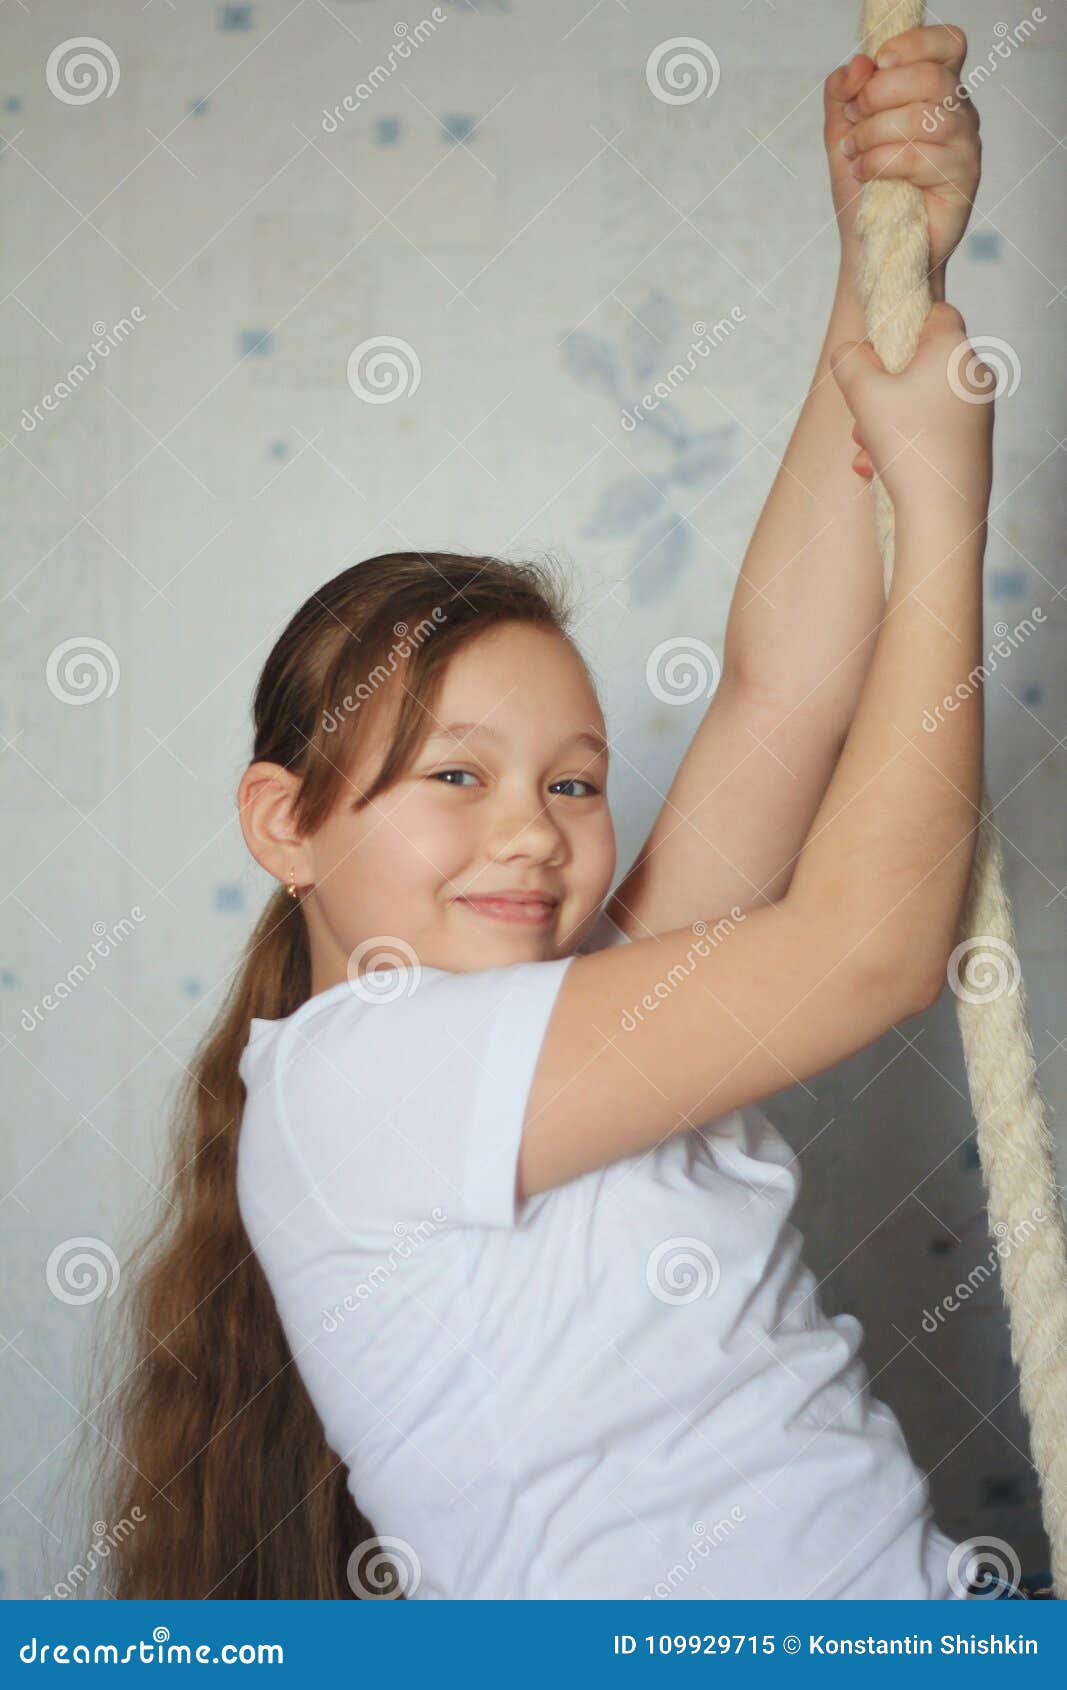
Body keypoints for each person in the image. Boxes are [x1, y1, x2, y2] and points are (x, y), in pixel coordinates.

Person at [90, 27, 997, 1598]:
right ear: (283, 823)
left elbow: (786, 687)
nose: (534, 830)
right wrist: (947, 509)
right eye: (457, 774)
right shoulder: (365, 1078)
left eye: (573, 780)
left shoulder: (573, 1019)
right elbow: (868, 951)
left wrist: (882, 267)